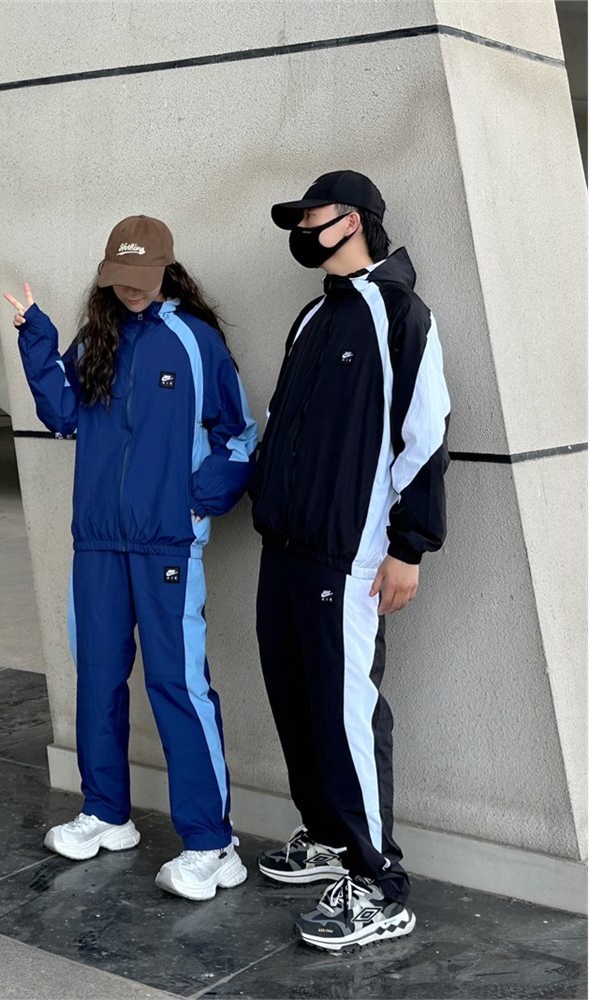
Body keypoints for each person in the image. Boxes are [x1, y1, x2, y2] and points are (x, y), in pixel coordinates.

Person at [6, 215, 258, 901]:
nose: (131, 290)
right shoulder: (98, 337)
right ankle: (106, 813)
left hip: (166, 543)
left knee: (177, 686)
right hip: (97, 542)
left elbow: (239, 435)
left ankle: (212, 844)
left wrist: (196, 502)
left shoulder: (195, 340)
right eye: (120, 279)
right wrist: (36, 340)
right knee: (97, 678)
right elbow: (63, 414)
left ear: (166, 271)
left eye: (142, 278)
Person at [249, 171, 450, 949]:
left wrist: (409, 548)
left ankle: (379, 885)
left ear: (356, 220)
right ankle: (330, 839)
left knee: (346, 715)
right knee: (297, 706)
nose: (302, 230)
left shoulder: (399, 312)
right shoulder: (313, 315)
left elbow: (425, 436)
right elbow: (282, 422)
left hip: (349, 558)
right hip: (284, 550)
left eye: (314, 217)